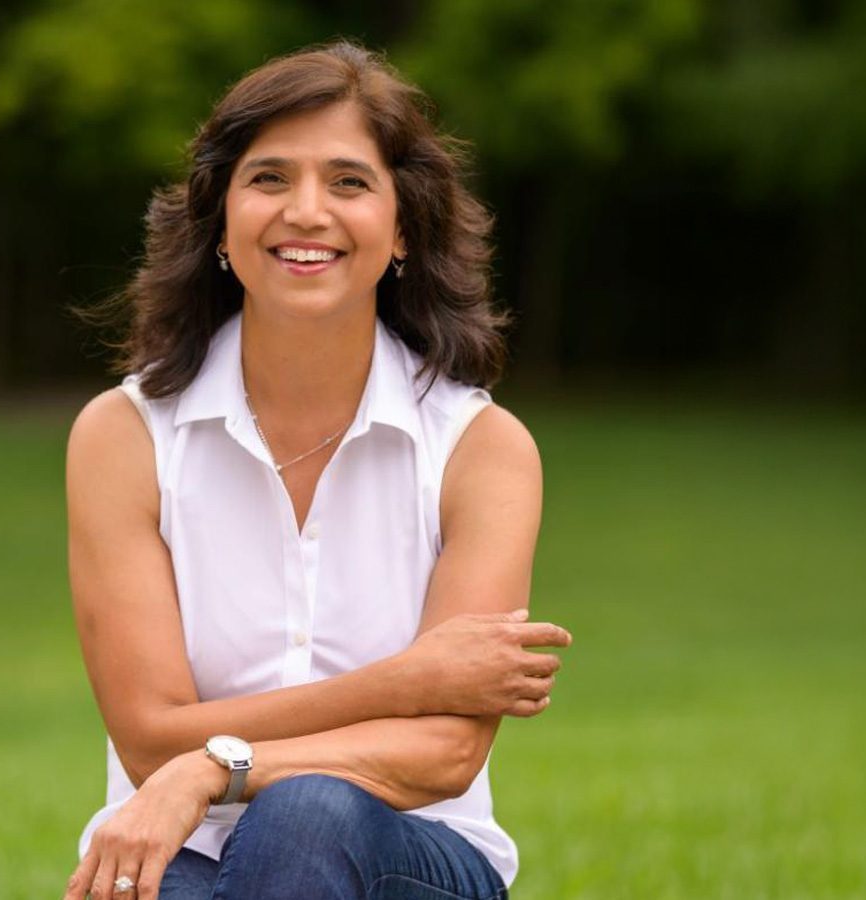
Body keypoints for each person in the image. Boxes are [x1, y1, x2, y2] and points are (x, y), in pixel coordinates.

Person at [63, 42, 573, 900]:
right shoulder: (124, 436)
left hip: (411, 857)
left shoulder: (482, 450)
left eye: (348, 182)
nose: (306, 211)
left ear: (403, 226)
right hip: (173, 855)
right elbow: (151, 740)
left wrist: (211, 767)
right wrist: (405, 682)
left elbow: (444, 752)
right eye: (268, 179)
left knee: (308, 815)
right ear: (220, 221)